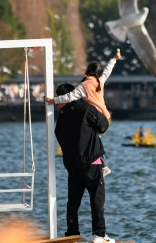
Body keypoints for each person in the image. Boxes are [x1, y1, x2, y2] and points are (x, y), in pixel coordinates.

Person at [52, 83, 114, 243]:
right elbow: (103, 126)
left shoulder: (62, 116)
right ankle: (99, 234)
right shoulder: (86, 108)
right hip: (92, 162)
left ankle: (71, 235)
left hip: (73, 165)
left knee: (73, 201)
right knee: (97, 199)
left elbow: (59, 134)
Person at [46, 49, 120, 177]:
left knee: (93, 139)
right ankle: (103, 165)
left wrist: (54, 100)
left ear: (87, 72)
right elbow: (107, 71)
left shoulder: (84, 86)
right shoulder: (99, 82)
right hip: (105, 116)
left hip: (94, 117)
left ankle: (104, 166)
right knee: (95, 139)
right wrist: (114, 59)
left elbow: (69, 97)